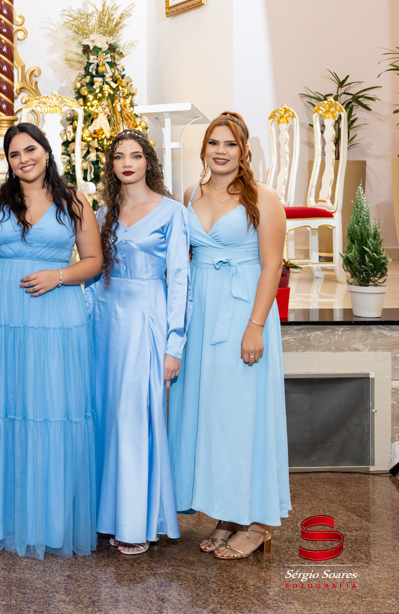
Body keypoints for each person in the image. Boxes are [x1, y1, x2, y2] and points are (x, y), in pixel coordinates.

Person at [0, 122, 103, 559]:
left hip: (57, 318)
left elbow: (95, 261)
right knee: (5, 410)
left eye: (31, 150)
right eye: (15, 153)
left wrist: (58, 276)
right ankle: (5, 519)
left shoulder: (74, 200)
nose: (24, 159)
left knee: (52, 410)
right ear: (7, 160)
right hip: (4, 320)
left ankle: (51, 521)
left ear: (46, 151)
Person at [170, 112, 290, 560]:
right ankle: (228, 513)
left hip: (242, 311)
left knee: (242, 414)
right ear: (203, 149)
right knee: (213, 414)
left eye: (230, 144)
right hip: (202, 313)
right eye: (214, 143)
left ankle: (258, 523)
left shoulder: (264, 198)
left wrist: (255, 326)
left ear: (244, 152)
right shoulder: (190, 194)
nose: (221, 151)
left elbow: (272, 267)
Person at [89, 130, 189, 556]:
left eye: (135, 155)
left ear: (149, 161)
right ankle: (105, 515)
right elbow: (92, 271)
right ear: (110, 165)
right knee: (106, 416)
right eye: (118, 157)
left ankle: (134, 522)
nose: (127, 163)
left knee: (133, 417)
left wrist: (174, 344)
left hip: (146, 317)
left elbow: (180, 279)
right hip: (103, 321)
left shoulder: (172, 212)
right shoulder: (103, 213)